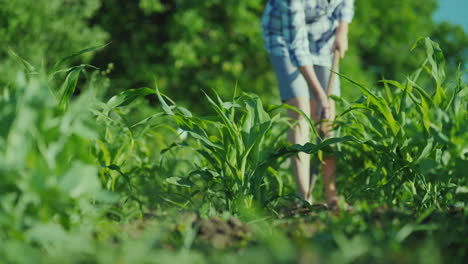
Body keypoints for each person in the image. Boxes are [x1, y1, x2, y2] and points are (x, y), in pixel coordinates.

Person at [261, 0, 354, 207]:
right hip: (284, 38)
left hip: (323, 36)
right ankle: (304, 197)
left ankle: (331, 194)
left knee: (328, 117)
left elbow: (345, 3)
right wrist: (320, 95)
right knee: (300, 110)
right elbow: (297, 48)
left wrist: (342, 29)